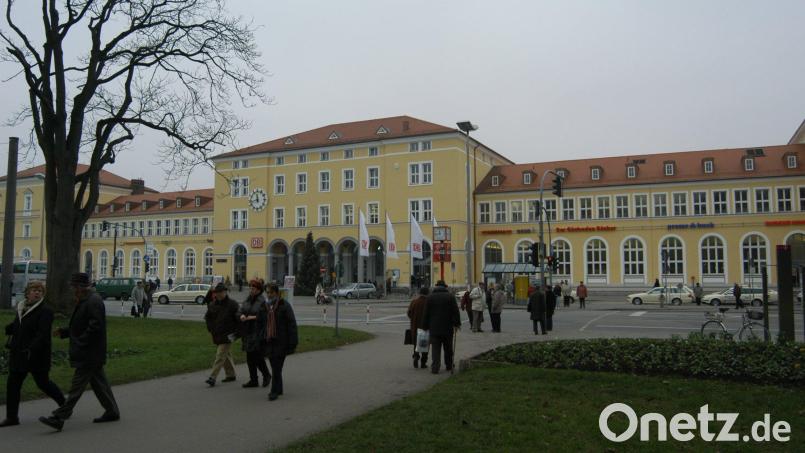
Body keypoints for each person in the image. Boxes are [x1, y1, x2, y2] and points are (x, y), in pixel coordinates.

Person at [39, 273, 120, 431]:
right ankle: (112, 411)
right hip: (90, 352)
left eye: (74, 286)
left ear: (81, 287)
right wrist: (65, 332)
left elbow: (95, 326)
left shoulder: (93, 301)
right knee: (99, 384)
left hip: (89, 352)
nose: (72, 290)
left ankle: (59, 417)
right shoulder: (85, 300)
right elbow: (81, 325)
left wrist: (81, 342)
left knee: (76, 387)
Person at [2, 281, 65, 427]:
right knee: (13, 385)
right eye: (34, 290)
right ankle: (12, 417)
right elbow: (20, 325)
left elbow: (43, 334)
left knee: (43, 383)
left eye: (40, 291)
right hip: (18, 353)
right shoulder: (21, 307)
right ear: (27, 293)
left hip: (36, 355)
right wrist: (10, 328)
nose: (37, 293)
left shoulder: (46, 311)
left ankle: (65, 406)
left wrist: (31, 348)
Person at [265, 283, 298, 401]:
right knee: (275, 367)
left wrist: (293, 342)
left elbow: (292, 325)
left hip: (282, 342)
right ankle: (279, 389)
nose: (269, 295)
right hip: (269, 341)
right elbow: (261, 323)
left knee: (276, 367)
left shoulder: (284, 306)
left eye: (271, 292)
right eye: (267, 293)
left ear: (277, 293)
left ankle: (274, 391)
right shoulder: (266, 306)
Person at [203, 283, 240, 387]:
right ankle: (231, 375)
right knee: (225, 355)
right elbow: (208, 317)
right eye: (217, 292)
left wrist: (237, 332)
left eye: (221, 292)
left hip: (229, 335)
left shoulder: (232, 304)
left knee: (220, 355)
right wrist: (210, 328)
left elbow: (239, 318)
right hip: (217, 333)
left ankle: (212, 377)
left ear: (225, 292)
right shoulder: (213, 304)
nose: (218, 294)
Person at [422, 280, 461, 374]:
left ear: (436, 287)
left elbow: (426, 313)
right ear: (445, 287)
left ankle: (435, 368)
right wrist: (457, 324)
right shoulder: (450, 297)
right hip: (447, 328)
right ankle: (449, 365)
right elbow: (455, 311)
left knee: (435, 349)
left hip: (434, 328)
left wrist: (424, 326)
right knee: (448, 348)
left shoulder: (430, 297)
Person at [239, 279, 270, 388]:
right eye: (250, 288)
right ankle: (253, 380)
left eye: (253, 288)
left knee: (257, 356)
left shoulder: (262, 301)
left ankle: (266, 375)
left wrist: (252, 317)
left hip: (257, 331)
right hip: (247, 331)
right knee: (249, 357)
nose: (251, 290)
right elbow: (241, 309)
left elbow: (266, 317)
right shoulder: (248, 299)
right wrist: (241, 315)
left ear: (258, 290)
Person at [407, 287, 430, 368]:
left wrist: (413, 319)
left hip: (415, 327)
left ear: (420, 293)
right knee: (425, 344)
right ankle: (423, 363)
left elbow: (409, 313)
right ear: (427, 293)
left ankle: (416, 356)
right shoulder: (429, 302)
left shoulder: (414, 302)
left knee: (416, 344)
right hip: (426, 327)